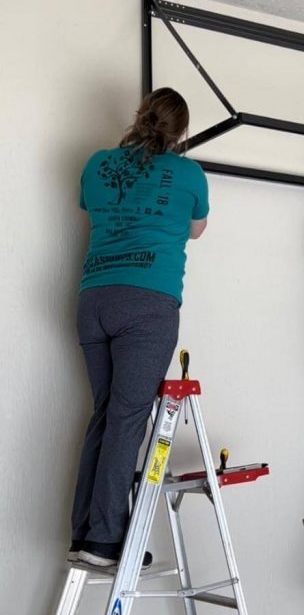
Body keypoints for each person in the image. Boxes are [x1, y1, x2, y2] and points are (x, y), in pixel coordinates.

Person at [70, 87, 209, 568]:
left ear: (140, 116)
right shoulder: (188, 173)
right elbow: (196, 229)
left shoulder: (97, 164)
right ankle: (104, 540)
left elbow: (93, 211)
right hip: (147, 303)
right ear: (182, 131)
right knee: (127, 418)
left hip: (94, 299)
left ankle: (85, 531)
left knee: (106, 412)